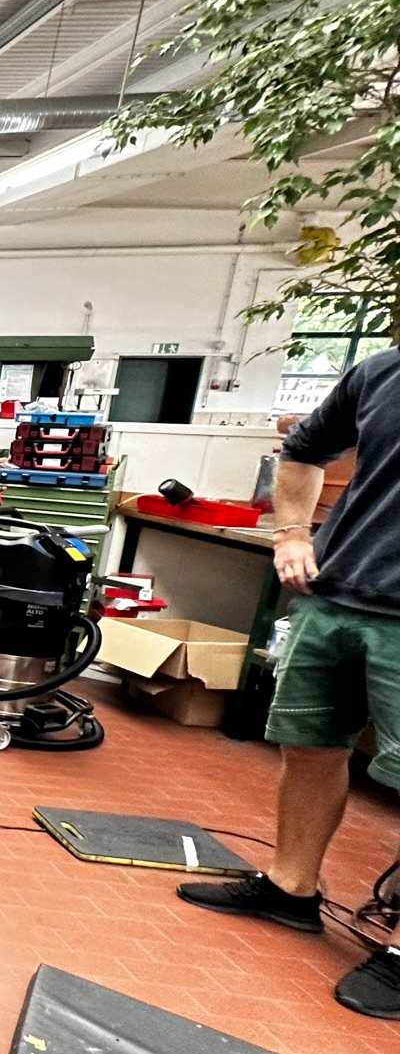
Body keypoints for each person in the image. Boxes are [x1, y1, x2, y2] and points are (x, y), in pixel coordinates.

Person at [177, 348, 400, 1018]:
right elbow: (303, 451)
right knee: (309, 747)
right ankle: (291, 887)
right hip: (337, 598)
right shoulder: (383, 371)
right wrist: (292, 534)